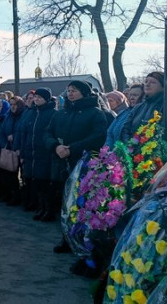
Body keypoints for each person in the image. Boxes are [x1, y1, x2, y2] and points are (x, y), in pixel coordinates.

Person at [46, 80, 108, 253]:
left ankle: (82, 240)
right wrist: (55, 146)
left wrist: (71, 149)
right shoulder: (61, 113)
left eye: (74, 90)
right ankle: (66, 238)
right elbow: (48, 132)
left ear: (84, 93)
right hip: (60, 162)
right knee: (64, 203)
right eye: (69, 90)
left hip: (83, 165)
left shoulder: (95, 114)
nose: (70, 93)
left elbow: (98, 137)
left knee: (80, 203)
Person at [120, 72, 167, 152]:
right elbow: (126, 128)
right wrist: (130, 146)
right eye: (146, 81)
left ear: (163, 86)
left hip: (157, 156)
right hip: (134, 155)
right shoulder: (139, 107)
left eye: (153, 82)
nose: (147, 85)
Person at [19, 88, 57, 220]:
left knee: (45, 183)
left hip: (45, 153)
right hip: (31, 152)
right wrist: (23, 152)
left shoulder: (53, 113)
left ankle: (49, 210)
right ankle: (40, 208)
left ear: (46, 99)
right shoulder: (33, 113)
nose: (36, 100)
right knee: (37, 183)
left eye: (39, 97)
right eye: (35, 97)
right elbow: (26, 133)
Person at [0, 96, 25, 205]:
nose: (13, 107)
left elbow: (22, 132)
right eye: (12, 104)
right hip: (8, 148)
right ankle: (9, 194)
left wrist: (14, 138)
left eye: (15, 105)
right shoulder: (8, 116)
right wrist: (4, 143)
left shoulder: (23, 116)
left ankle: (18, 196)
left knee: (19, 175)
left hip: (19, 149)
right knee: (8, 173)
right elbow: (1, 131)